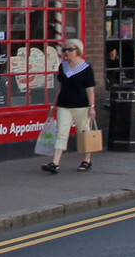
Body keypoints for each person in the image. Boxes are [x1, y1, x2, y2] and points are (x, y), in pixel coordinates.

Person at [42, 38, 98, 175]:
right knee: (61, 133)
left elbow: (90, 89)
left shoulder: (86, 68)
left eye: (70, 49)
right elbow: (60, 88)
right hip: (64, 105)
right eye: (64, 50)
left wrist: (92, 107)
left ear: (78, 50)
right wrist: (53, 105)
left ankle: (87, 159)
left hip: (81, 105)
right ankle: (55, 163)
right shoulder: (63, 67)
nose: (67, 52)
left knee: (83, 132)